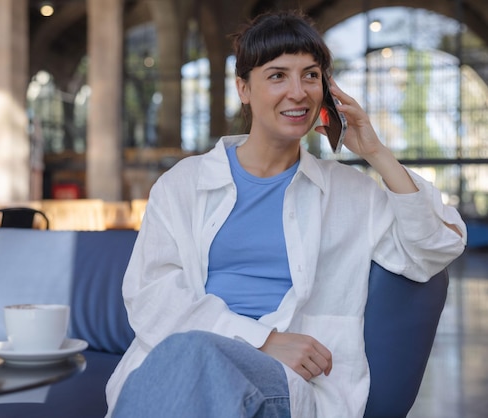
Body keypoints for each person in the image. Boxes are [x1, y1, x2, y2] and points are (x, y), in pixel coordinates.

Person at [106, 10, 467, 418]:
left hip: (288, 380)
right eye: (277, 75)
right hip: (185, 362)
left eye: (310, 76)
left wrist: (376, 152)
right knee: (191, 360)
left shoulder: (350, 194)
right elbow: (150, 296)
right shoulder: (182, 185)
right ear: (243, 88)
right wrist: (261, 339)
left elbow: (435, 247)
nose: (298, 92)